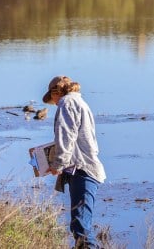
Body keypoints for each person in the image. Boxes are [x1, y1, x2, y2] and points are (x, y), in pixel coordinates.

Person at [43, 75, 106, 249]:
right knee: (79, 225)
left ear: (56, 92)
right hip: (81, 169)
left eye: (52, 99)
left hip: (83, 170)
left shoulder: (67, 103)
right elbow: (72, 138)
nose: (54, 104)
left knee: (81, 229)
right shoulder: (78, 102)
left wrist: (57, 165)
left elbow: (66, 136)